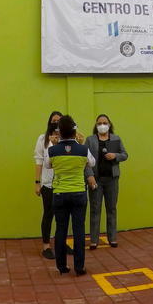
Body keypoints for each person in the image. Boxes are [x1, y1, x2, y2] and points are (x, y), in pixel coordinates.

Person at [42, 115, 97, 275]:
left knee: (61, 230)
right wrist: (79, 146)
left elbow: (47, 164)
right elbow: (92, 162)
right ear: (75, 131)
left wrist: (55, 145)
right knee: (79, 230)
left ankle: (62, 266)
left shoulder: (52, 150)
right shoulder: (83, 149)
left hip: (59, 194)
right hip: (79, 193)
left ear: (59, 132)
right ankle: (79, 267)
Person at [85, 114, 128, 249]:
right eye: (99, 123)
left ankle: (112, 238)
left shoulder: (116, 138)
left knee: (112, 209)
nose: (102, 125)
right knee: (95, 209)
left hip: (112, 180)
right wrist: (89, 176)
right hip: (96, 180)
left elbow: (125, 155)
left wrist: (115, 156)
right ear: (96, 125)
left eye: (104, 123)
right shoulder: (90, 140)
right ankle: (94, 240)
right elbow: (85, 160)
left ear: (109, 125)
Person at [34, 111, 65, 260]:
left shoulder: (67, 139)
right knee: (48, 214)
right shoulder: (43, 139)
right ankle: (46, 245)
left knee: (63, 216)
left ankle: (62, 243)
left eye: (59, 121)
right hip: (48, 184)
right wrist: (37, 182)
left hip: (64, 183)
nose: (56, 123)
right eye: (53, 120)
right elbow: (39, 161)